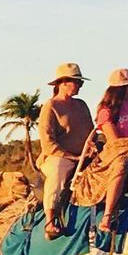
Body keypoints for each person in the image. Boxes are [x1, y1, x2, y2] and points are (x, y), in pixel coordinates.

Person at [37, 63, 94, 240]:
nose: (79, 86)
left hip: (84, 155)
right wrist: (72, 156)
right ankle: (51, 220)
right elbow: (47, 142)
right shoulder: (51, 106)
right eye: (76, 82)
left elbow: (90, 131)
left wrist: (92, 146)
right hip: (58, 156)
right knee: (58, 171)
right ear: (62, 83)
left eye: (80, 83)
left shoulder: (81, 105)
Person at [94, 68, 128, 233]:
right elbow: (115, 141)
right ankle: (108, 215)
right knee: (121, 167)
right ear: (122, 88)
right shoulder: (106, 111)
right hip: (119, 153)